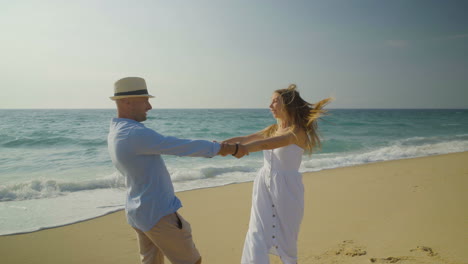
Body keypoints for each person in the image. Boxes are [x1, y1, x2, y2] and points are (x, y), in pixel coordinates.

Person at [107, 77, 247, 264]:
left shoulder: (117, 130)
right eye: (145, 100)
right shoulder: (134, 133)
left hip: (138, 211)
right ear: (126, 101)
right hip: (157, 213)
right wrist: (226, 148)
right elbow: (180, 146)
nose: (149, 106)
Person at [222, 84, 332, 264]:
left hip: (286, 190)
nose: (270, 106)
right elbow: (245, 139)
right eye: (271, 102)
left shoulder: (297, 131)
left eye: (275, 101)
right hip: (263, 185)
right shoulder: (273, 128)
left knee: (286, 241)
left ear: (288, 104)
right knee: (256, 232)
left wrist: (240, 150)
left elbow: (265, 145)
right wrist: (218, 146)